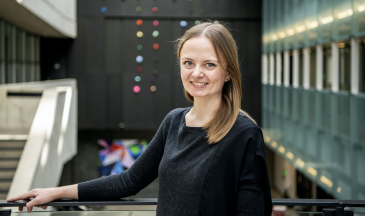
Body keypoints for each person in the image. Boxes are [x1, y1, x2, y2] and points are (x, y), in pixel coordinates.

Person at [8, 22, 272, 215]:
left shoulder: (243, 133)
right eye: (188, 63)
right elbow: (129, 180)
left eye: (209, 64)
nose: (196, 73)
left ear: (228, 72)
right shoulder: (174, 121)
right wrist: (57, 192)